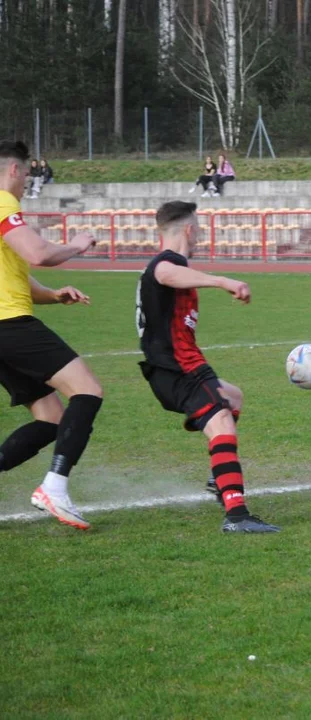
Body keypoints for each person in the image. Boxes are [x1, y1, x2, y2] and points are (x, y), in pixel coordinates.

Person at [136, 201, 278, 533]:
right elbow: (165, 273)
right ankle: (237, 515)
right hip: (178, 368)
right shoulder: (166, 263)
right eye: (197, 228)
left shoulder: (172, 265)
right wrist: (222, 281)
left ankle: (219, 478)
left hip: (182, 366)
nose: (199, 234)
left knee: (233, 397)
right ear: (188, 229)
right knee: (222, 421)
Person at [0, 140, 102, 530]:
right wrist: (76, 245)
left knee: (52, 417)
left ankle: (53, 486)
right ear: (13, 170)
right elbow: (38, 254)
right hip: (9, 325)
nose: (28, 180)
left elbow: (15, 277)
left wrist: (53, 295)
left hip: (5, 324)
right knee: (87, 390)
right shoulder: (4, 204)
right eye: (26, 172)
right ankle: (54, 488)